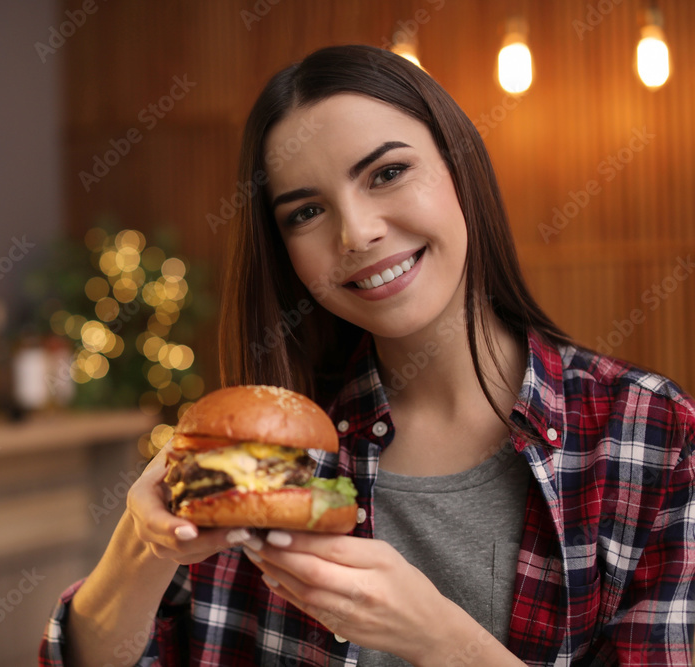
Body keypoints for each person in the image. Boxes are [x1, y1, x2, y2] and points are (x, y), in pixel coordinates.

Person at [40, 45, 695, 666]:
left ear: (459, 167)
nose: (357, 232)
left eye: (387, 173)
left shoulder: (650, 435)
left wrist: (438, 638)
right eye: (305, 212)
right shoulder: (266, 464)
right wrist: (140, 544)